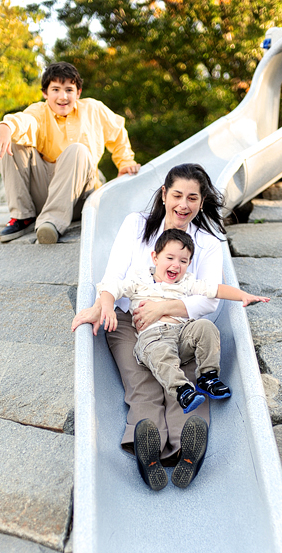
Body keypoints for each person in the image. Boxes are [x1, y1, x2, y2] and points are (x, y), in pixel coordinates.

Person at [71, 163, 228, 490]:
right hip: (131, 322)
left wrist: (163, 309)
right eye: (177, 195)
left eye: (193, 198)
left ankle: (187, 450)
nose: (183, 205)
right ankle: (150, 451)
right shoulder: (137, 225)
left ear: (202, 202)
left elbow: (210, 299)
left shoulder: (209, 243)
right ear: (164, 194)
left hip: (181, 325)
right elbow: (114, 273)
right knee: (142, 383)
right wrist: (102, 303)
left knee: (183, 383)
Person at [93, 228, 270, 489]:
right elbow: (111, 286)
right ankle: (177, 402)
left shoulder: (186, 283)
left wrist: (242, 295)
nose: (176, 265)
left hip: (181, 334)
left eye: (184, 261)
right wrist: (105, 305)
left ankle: (208, 378)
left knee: (206, 328)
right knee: (160, 360)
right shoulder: (140, 279)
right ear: (155, 257)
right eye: (170, 258)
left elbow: (214, 290)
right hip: (152, 340)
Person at [0, 61, 141, 244]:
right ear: (45, 93)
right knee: (11, 139)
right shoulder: (39, 112)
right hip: (46, 192)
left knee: (78, 150)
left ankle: (52, 223)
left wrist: (126, 162)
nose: (63, 96)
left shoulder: (93, 109)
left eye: (69, 90)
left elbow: (117, 132)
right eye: (56, 89)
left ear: (78, 92)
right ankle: (23, 216)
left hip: (79, 196)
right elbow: (25, 121)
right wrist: (6, 126)